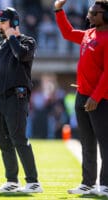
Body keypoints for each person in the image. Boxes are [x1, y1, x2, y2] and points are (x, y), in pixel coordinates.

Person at [0, 7, 43, 193]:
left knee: (19, 138)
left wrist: (12, 37)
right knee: (3, 140)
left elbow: (21, 55)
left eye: (3, 22)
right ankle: (12, 180)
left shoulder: (27, 41)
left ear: (14, 23)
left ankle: (33, 182)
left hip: (16, 97)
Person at [54, 0, 108, 197]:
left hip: (100, 100)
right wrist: (58, 10)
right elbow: (67, 33)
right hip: (82, 95)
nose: (89, 16)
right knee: (87, 142)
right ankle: (87, 183)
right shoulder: (89, 34)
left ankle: (105, 185)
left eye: (94, 13)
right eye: (89, 12)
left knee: (105, 142)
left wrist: (96, 97)